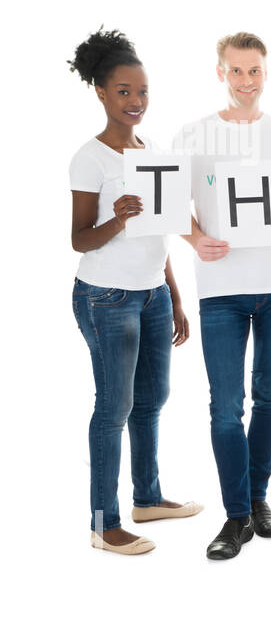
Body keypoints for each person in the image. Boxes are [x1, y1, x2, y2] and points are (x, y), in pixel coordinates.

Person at [174, 32, 271, 560]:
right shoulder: (194, 135)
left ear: (265, 74)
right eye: (236, 71)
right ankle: (235, 516)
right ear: (220, 73)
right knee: (226, 406)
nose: (246, 81)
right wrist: (194, 237)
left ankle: (258, 500)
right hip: (221, 291)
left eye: (254, 71)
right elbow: (166, 201)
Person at [68, 28, 200, 555]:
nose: (136, 102)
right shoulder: (91, 159)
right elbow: (78, 239)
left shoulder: (153, 151)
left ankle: (148, 498)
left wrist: (174, 293)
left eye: (142, 91)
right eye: (124, 91)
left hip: (151, 294)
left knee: (152, 401)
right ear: (101, 92)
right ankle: (105, 523)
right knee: (114, 407)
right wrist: (117, 220)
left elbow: (161, 231)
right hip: (106, 298)